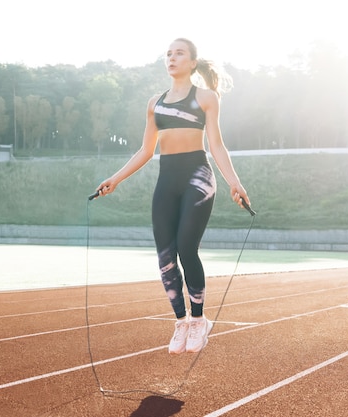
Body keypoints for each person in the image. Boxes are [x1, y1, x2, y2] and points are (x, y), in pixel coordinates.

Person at [93, 38, 251, 354]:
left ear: (192, 62)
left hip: (198, 176)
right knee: (166, 256)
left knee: (186, 248)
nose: (172, 57)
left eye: (179, 53)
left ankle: (198, 320)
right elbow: (145, 150)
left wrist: (235, 182)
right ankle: (181, 322)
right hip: (167, 179)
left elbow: (216, 145)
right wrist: (116, 179)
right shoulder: (155, 103)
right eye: (168, 53)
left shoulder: (205, 98)